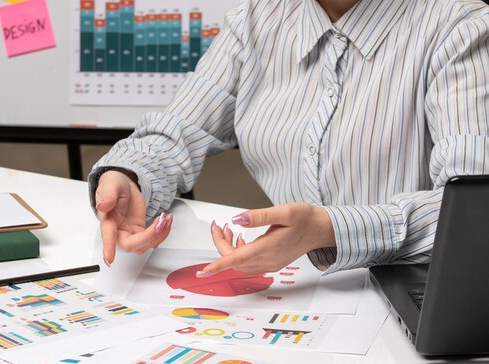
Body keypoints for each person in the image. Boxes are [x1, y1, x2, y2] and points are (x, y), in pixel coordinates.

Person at [88, 0, 489, 276]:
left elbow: (473, 211)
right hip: (296, 291)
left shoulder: (459, 26)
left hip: (414, 293)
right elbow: (176, 131)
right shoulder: (258, 16)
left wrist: (329, 229)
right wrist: (131, 177)